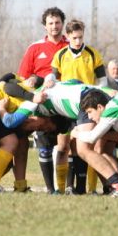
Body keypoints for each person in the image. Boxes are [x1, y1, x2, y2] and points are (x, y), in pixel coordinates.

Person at [44, 19, 107, 194]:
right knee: (63, 147)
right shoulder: (61, 55)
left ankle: (89, 188)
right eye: (74, 38)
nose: (78, 41)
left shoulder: (93, 54)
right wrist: (50, 80)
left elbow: (102, 81)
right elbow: (53, 77)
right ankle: (62, 189)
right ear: (68, 36)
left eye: (80, 37)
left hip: (86, 106)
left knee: (85, 146)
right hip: (65, 106)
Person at [17, 7, 69, 193]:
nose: (54, 26)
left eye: (57, 23)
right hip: (43, 104)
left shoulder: (70, 46)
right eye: (50, 23)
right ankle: (50, 189)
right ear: (45, 26)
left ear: (63, 24)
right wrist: (32, 81)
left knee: (64, 147)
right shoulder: (35, 48)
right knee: (45, 147)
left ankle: (66, 188)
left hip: (65, 103)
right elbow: (22, 77)